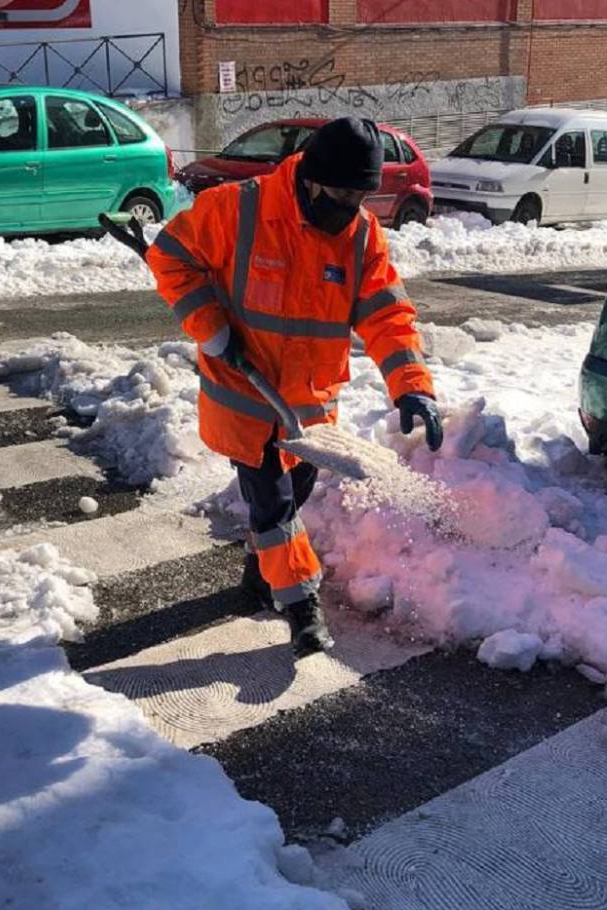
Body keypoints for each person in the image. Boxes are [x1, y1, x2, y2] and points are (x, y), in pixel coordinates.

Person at [146, 117, 443, 659]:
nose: (349, 206)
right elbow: (170, 255)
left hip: (308, 407)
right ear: (309, 177)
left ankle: (259, 577)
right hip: (246, 393)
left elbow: (387, 314)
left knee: (292, 494)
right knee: (275, 506)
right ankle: (302, 607)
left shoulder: (360, 237)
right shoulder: (239, 210)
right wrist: (212, 329)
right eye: (340, 193)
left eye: (360, 195)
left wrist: (411, 385)